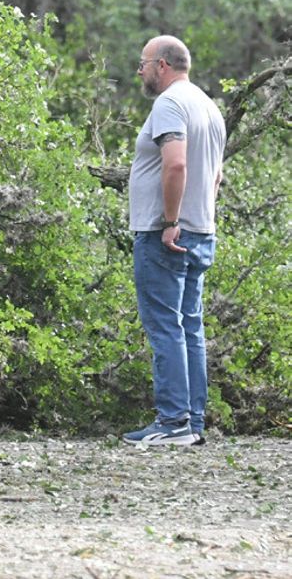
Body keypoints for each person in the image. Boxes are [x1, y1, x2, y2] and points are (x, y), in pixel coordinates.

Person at [123, 35, 225, 446]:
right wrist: (197, 218)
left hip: (167, 232)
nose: (140, 71)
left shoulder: (169, 103)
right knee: (190, 326)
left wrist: (169, 220)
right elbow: (215, 175)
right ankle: (192, 421)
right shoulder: (208, 104)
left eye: (143, 63)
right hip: (201, 229)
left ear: (162, 65)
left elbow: (176, 163)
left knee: (165, 326)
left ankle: (172, 421)